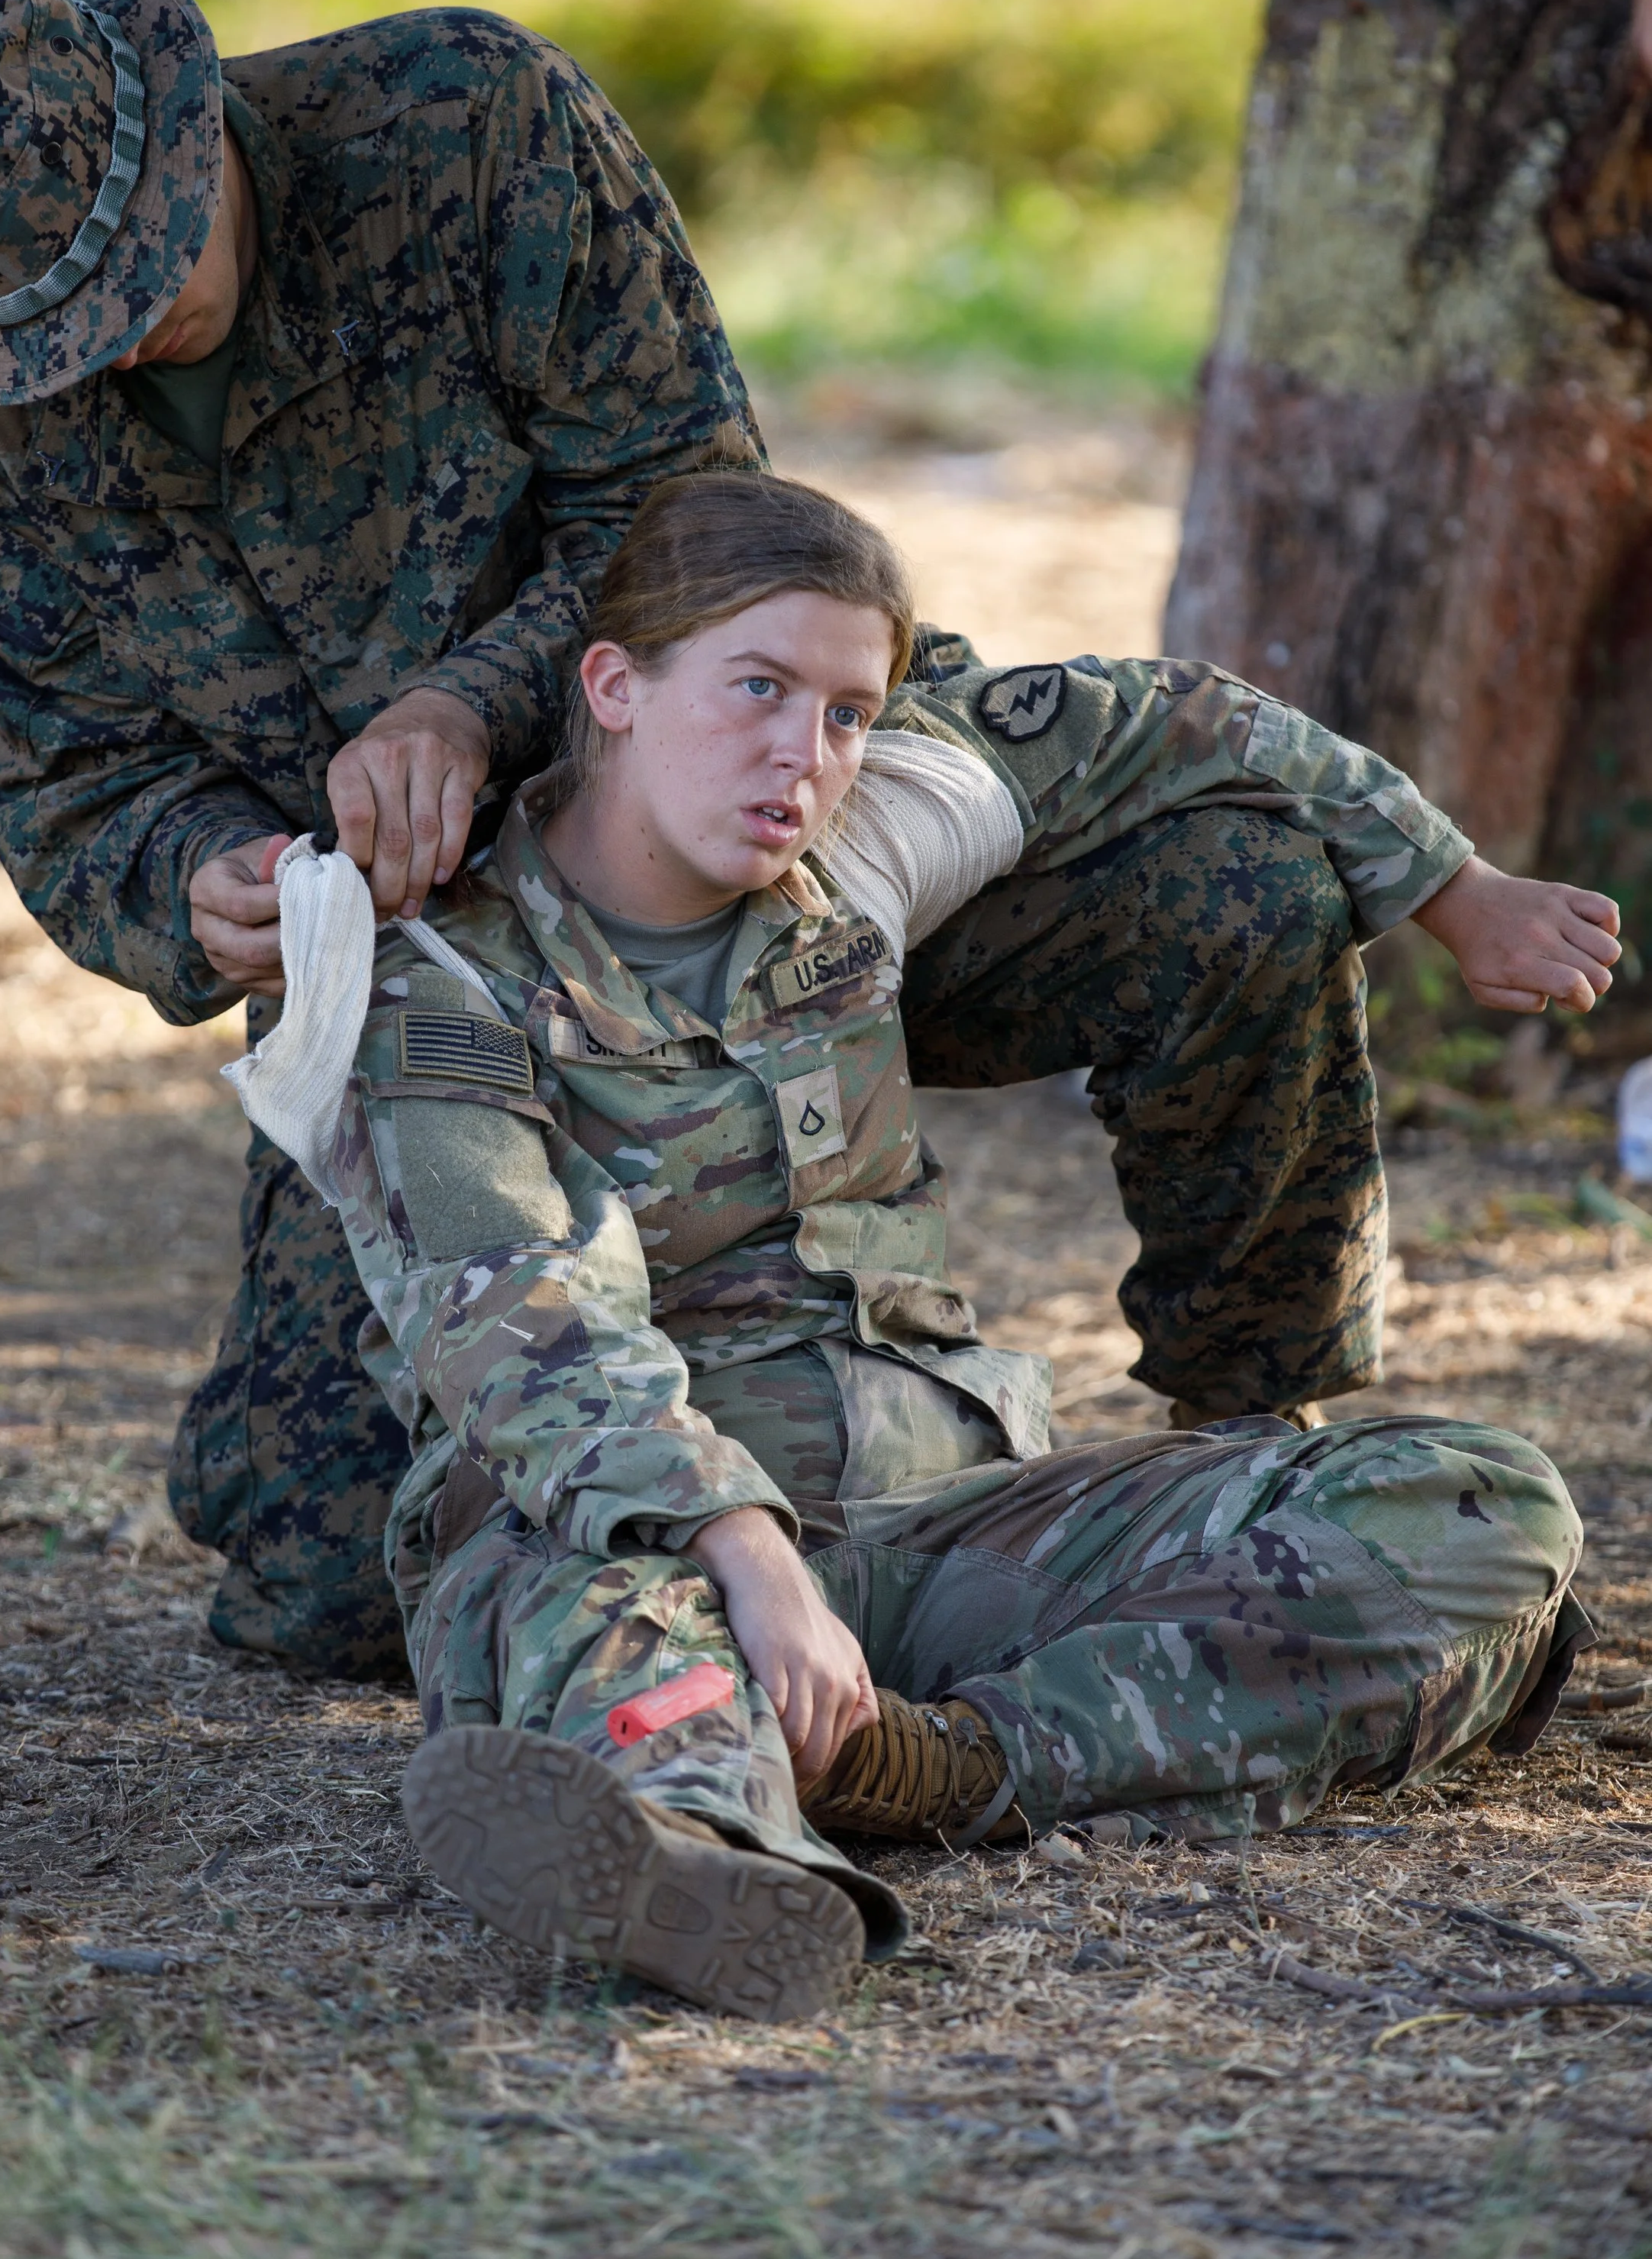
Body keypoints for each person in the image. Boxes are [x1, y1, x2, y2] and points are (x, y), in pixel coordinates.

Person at [0, 0, 1623, 1685]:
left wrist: (467, 702)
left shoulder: (463, 133)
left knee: (1235, 881)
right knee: (332, 1596)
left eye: (141, 284)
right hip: (464, 995)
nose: (108, 348)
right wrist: (188, 889)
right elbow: (62, 773)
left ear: (206, 142)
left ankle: (1252, 1425)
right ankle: (679, 1503)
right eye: (46, 338)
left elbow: (699, 503)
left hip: (769, 851)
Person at [236, 470, 1599, 2022]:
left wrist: (1446, 884)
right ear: (611, 687)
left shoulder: (860, 856)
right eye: (755, 689)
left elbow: (1172, 715)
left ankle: (938, 1768)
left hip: (939, 1525)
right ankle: (698, 1849)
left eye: (842, 712)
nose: (800, 756)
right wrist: (745, 1554)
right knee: (591, 1622)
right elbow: (535, 1321)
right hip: (633, 1530)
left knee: (1478, 1503)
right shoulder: (439, 979)